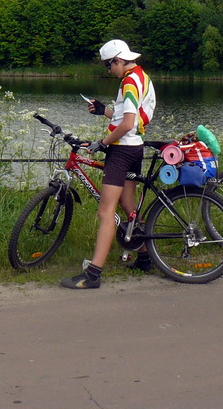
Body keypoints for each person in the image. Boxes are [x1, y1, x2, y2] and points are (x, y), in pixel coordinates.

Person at [61, 39, 156, 290]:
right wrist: (104, 111)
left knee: (105, 212)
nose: (108, 70)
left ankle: (93, 274)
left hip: (122, 150)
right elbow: (130, 116)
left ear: (118, 60)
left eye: (108, 65)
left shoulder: (129, 82)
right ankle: (145, 257)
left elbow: (127, 124)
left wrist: (103, 143)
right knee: (128, 205)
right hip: (135, 148)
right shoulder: (141, 77)